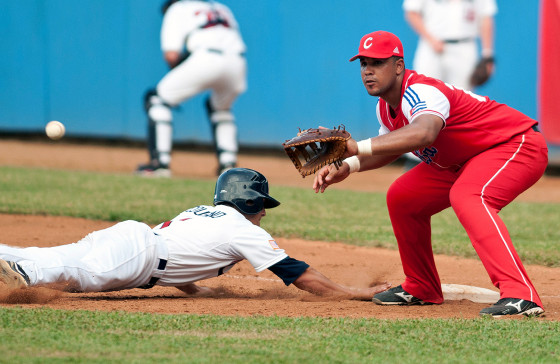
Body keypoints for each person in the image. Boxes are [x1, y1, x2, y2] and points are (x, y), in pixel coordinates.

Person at [312, 31, 548, 317]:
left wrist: (355, 147)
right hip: (464, 159)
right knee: (403, 197)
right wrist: (349, 165)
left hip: (514, 144)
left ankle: (521, 295)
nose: (368, 71)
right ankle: (421, 286)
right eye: (363, 64)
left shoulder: (420, 91)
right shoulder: (385, 108)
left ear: (398, 66)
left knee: (469, 196)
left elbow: (424, 132)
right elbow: (392, 146)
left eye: (377, 62)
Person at [0, 168, 389, 301]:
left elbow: (183, 252)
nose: (264, 213)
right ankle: (19, 273)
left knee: (53, 254)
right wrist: (355, 292)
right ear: (251, 203)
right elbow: (299, 274)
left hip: (133, 241)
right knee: (66, 273)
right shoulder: (242, 229)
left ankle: (10, 257)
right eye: (262, 205)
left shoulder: (206, 213)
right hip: (136, 256)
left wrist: (196, 289)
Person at [136, 0, 247, 177]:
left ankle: (160, 165)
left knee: (157, 100)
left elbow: (171, 56)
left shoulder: (178, 7)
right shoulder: (220, 7)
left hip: (205, 58)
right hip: (237, 63)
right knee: (221, 109)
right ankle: (228, 166)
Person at [401, 0, 498, 169]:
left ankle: (459, 159)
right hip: (431, 47)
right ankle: (415, 159)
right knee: (421, 100)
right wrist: (430, 38)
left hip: (465, 46)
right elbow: (411, 12)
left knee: (463, 104)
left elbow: (486, 16)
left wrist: (488, 55)